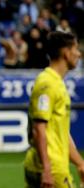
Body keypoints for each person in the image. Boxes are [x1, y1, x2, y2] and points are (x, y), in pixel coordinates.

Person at [24, 31, 84, 188]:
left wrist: (80, 163)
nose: (79, 54)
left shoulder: (56, 82)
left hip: (47, 165)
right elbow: (39, 128)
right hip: (52, 167)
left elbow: (60, 133)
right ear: (66, 52)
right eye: (76, 49)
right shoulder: (48, 83)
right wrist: (47, 169)